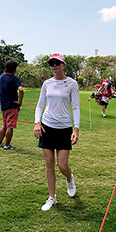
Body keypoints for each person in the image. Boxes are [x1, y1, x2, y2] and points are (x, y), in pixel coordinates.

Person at [33, 53, 80, 211]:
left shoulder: (72, 84)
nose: (54, 65)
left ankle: (69, 178)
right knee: (49, 163)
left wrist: (76, 128)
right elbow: (40, 105)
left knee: (62, 165)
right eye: (51, 63)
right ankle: (52, 197)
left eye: (57, 63)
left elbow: (75, 107)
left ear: (63, 65)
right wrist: (37, 122)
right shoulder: (47, 84)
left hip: (64, 128)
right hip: (47, 126)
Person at [0, 59, 24, 150]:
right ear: (14, 69)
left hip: (4, 106)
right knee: (10, 126)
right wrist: (20, 102)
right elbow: (21, 90)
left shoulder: (1, 77)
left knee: (4, 125)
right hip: (12, 106)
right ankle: (7, 145)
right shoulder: (15, 79)